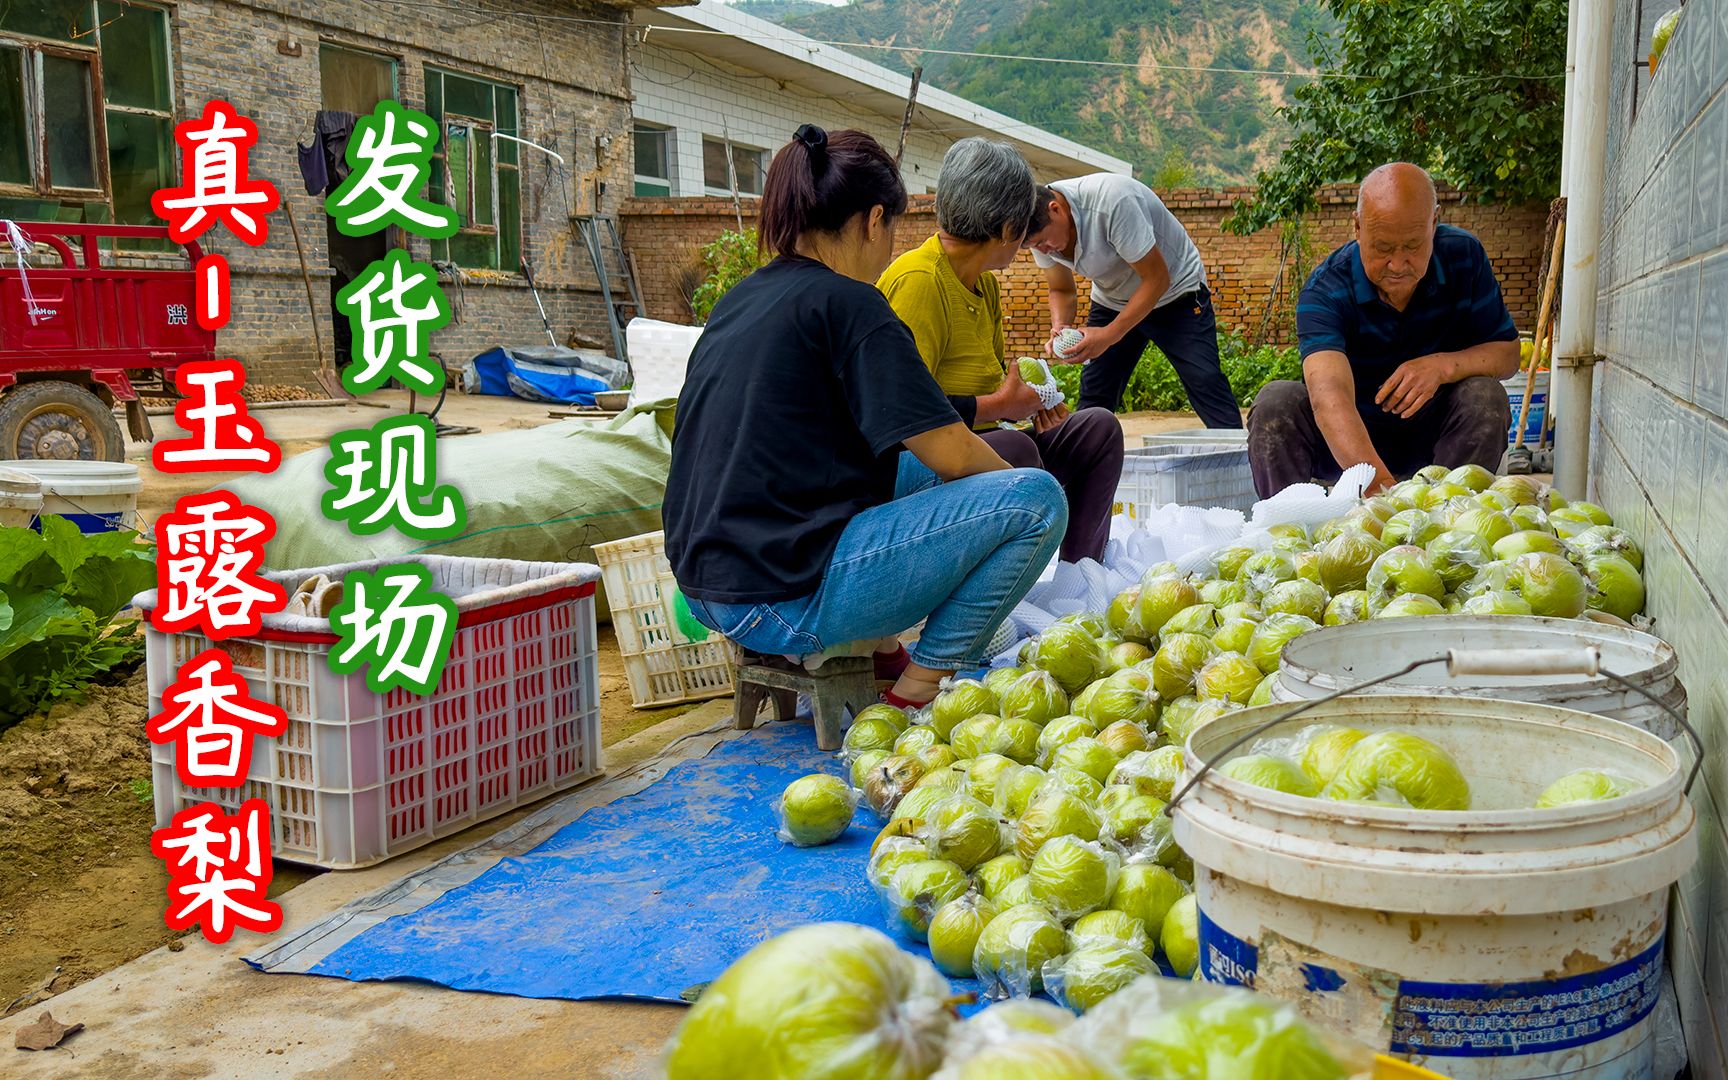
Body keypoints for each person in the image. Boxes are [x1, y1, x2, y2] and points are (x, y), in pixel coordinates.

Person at [663, 125, 1068, 709]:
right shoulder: (852, 302)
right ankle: (916, 693)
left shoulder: (743, 298)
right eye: (893, 229)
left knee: (898, 468)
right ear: (873, 219)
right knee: (1037, 500)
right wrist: (1010, 485)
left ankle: (880, 651)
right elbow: (953, 455)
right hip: (781, 596)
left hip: (708, 587)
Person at [878, 138, 1124, 564]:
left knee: (1098, 430)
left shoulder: (985, 285)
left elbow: (991, 395)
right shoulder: (919, 281)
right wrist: (1000, 407)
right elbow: (904, 418)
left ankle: (1078, 579)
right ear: (1008, 229)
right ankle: (1005, 593)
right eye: (1023, 231)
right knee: (1018, 456)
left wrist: (1026, 406)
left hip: (981, 450)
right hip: (918, 471)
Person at [1247, 163, 1518, 497]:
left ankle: (1446, 524)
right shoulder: (1326, 289)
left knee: (1485, 397)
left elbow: (1507, 354)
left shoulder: (1465, 257)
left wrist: (1441, 366)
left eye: (1413, 246)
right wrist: (1384, 495)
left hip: (1436, 438)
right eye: (1384, 248)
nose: (1398, 264)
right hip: (1347, 440)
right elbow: (1329, 395)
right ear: (1358, 227)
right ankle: (1290, 533)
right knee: (1276, 403)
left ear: (1434, 223)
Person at [1022, 174, 1242, 428]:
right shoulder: (1040, 234)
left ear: (1056, 209)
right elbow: (1061, 289)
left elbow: (1157, 279)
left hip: (1176, 293)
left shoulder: (1113, 202)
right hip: (1112, 299)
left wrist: (1107, 336)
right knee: (1095, 393)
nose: (1043, 251)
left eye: (1042, 242)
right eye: (1034, 247)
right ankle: (1084, 463)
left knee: (1205, 380)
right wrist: (1060, 326)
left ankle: (1239, 460)